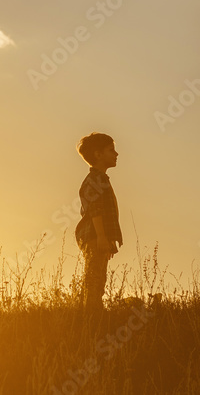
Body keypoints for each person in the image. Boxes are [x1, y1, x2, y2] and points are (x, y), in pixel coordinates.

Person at [74, 132, 123, 311]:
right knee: (94, 278)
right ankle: (90, 314)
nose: (116, 154)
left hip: (98, 236)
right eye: (111, 150)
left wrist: (108, 239)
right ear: (98, 154)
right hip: (94, 236)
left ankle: (91, 312)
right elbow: (95, 210)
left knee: (97, 277)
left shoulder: (101, 178)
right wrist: (102, 237)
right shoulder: (95, 179)